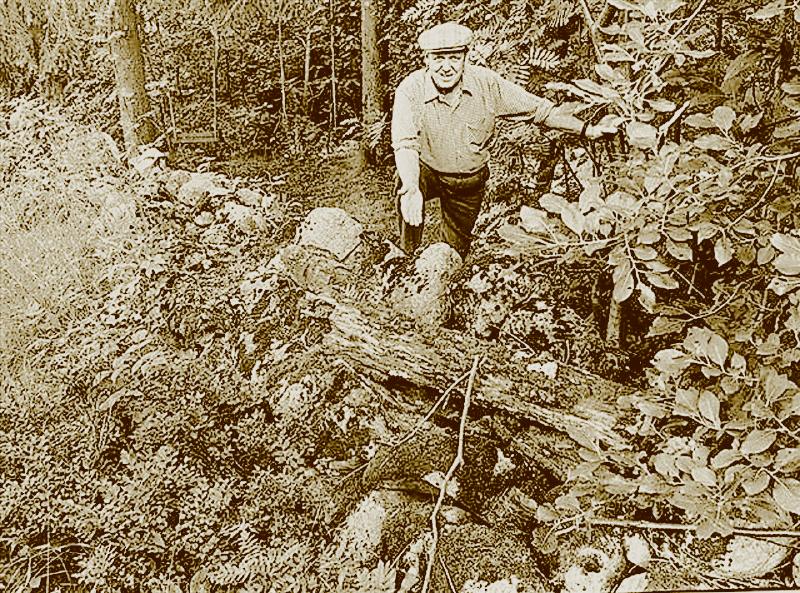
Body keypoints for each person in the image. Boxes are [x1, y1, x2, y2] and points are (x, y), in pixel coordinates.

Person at [391, 21, 616, 257]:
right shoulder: (410, 89)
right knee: (405, 182)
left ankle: (442, 265)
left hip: (467, 181)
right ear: (426, 60)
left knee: (454, 254)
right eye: (438, 58)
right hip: (428, 171)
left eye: (454, 58)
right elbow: (405, 143)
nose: (446, 67)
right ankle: (406, 256)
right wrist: (411, 188)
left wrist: (587, 129)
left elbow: (540, 111)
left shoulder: (486, 83)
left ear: (465, 58)